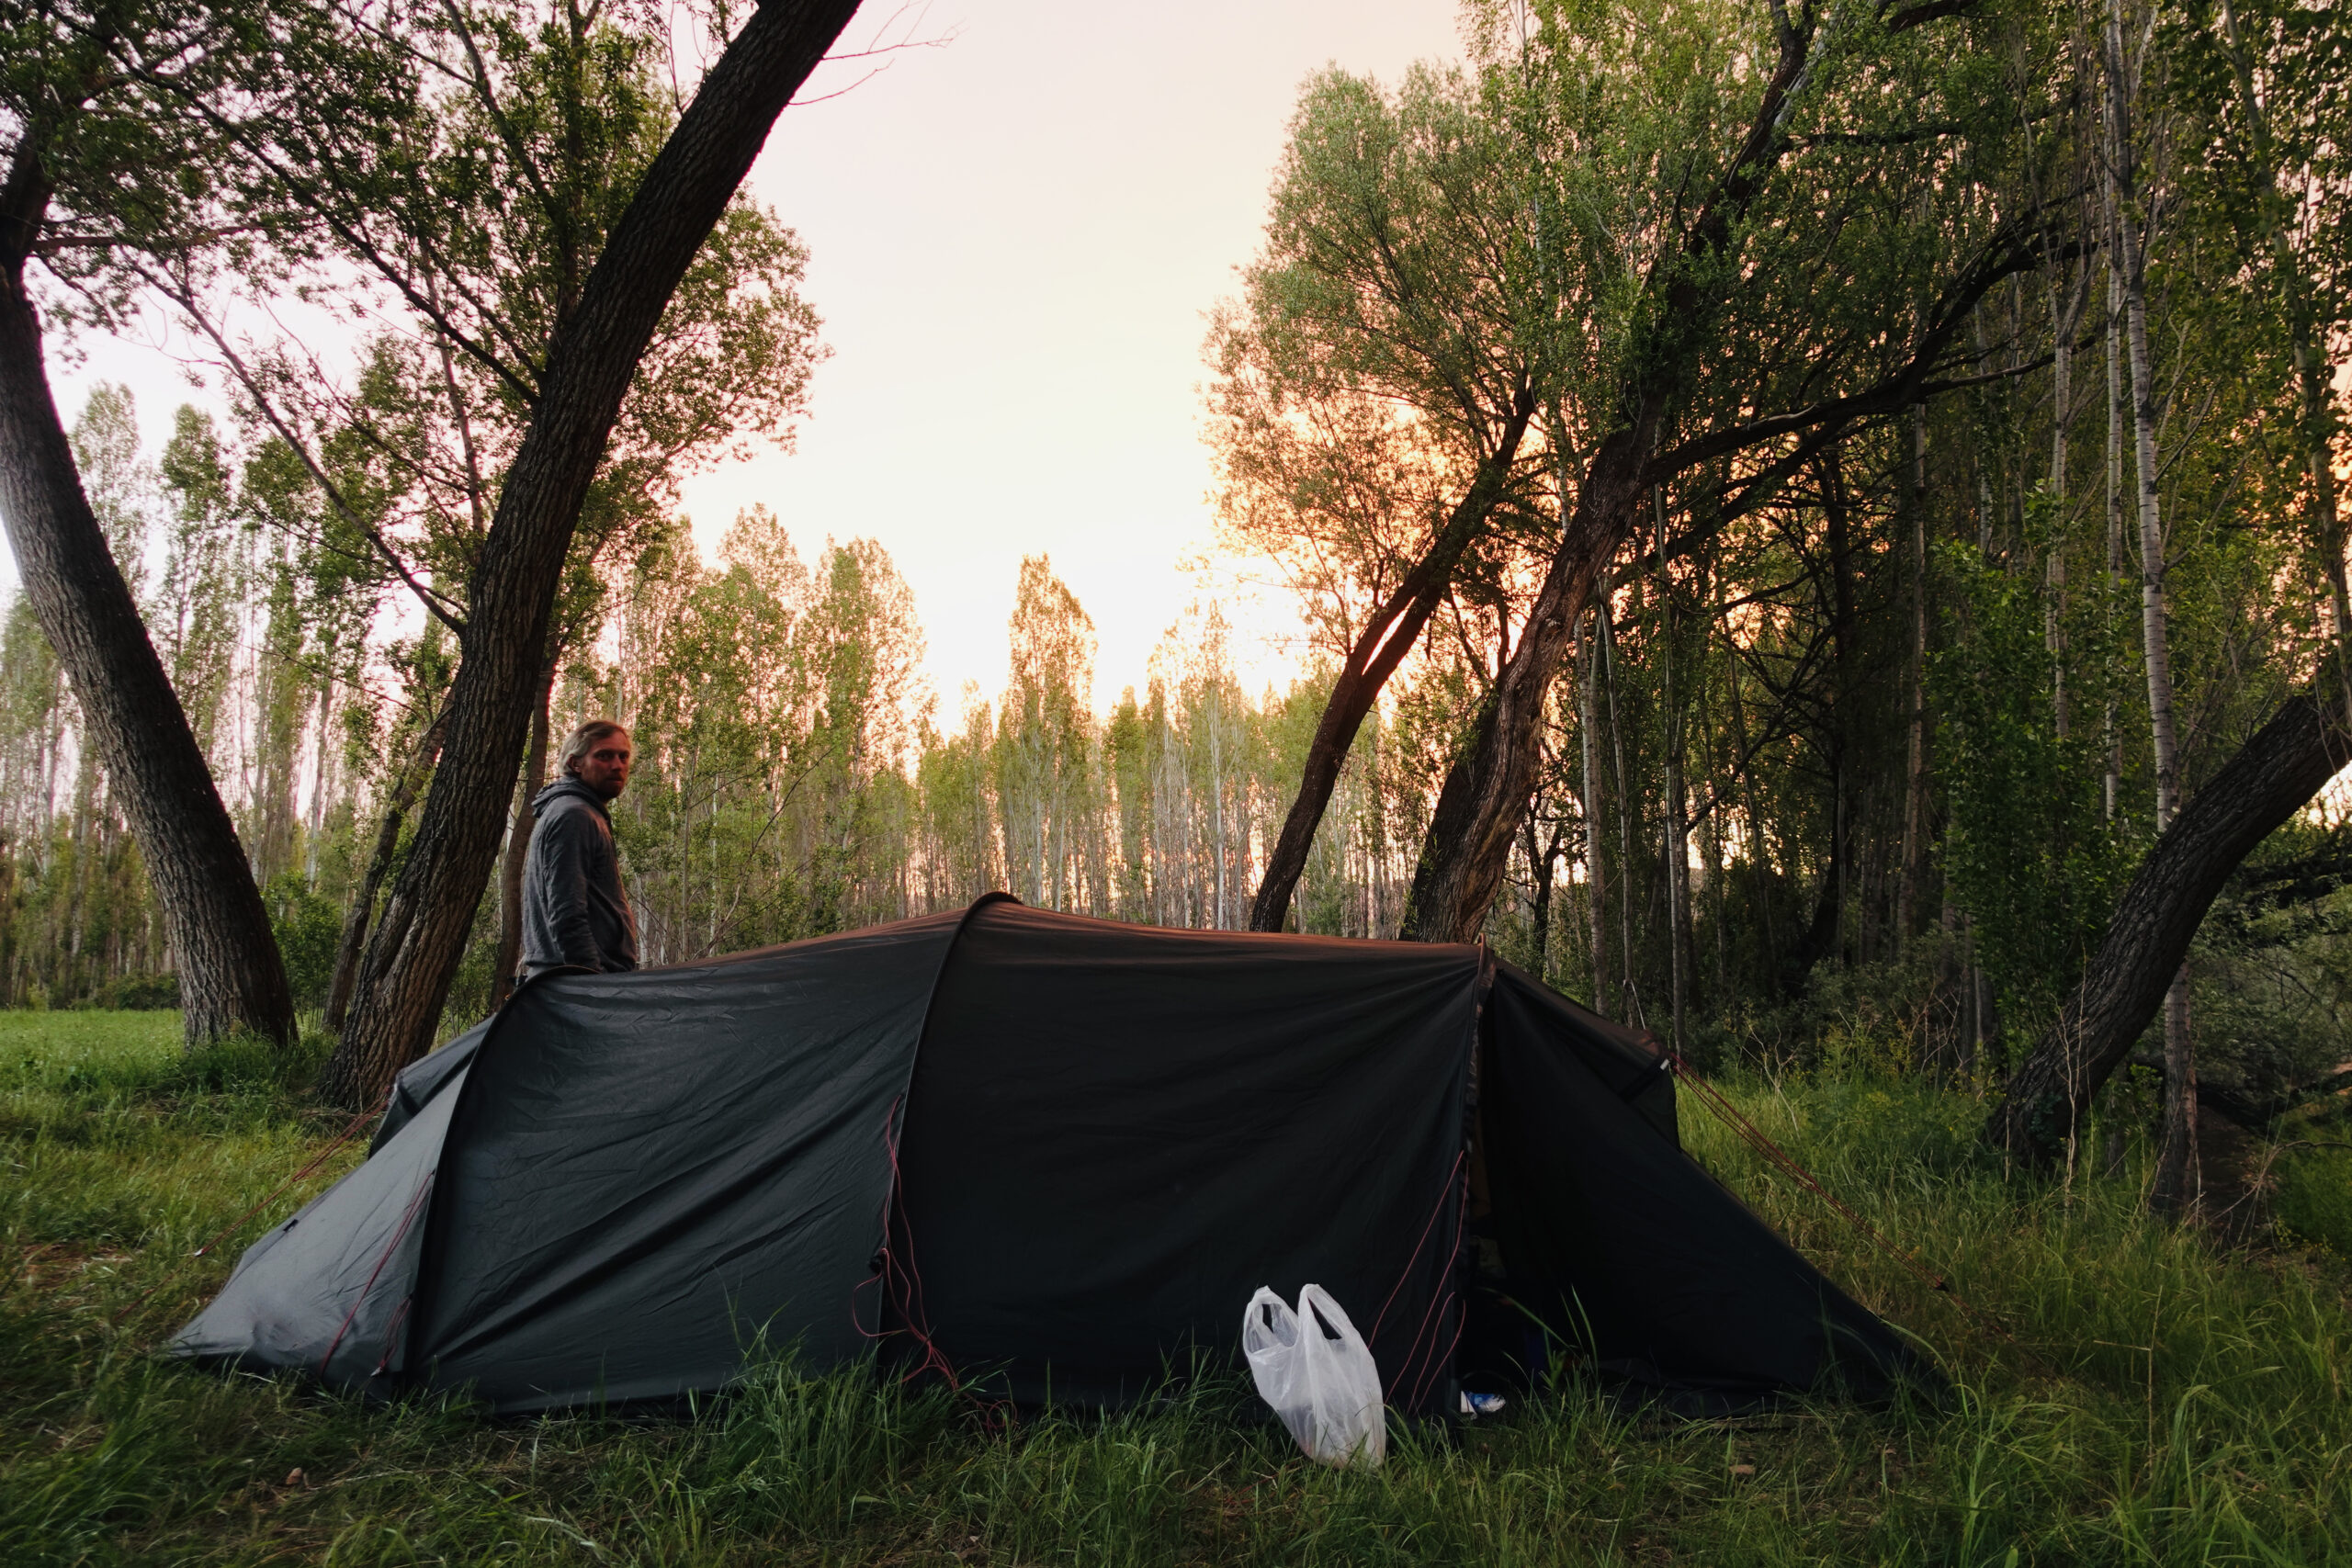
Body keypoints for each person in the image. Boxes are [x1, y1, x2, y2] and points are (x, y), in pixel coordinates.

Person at [519, 719, 640, 982]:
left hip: (574, 980)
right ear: (576, 764)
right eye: (604, 756)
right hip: (575, 983)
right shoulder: (574, 815)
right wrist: (590, 979)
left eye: (623, 756)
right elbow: (566, 912)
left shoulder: (577, 811)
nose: (617, 766)